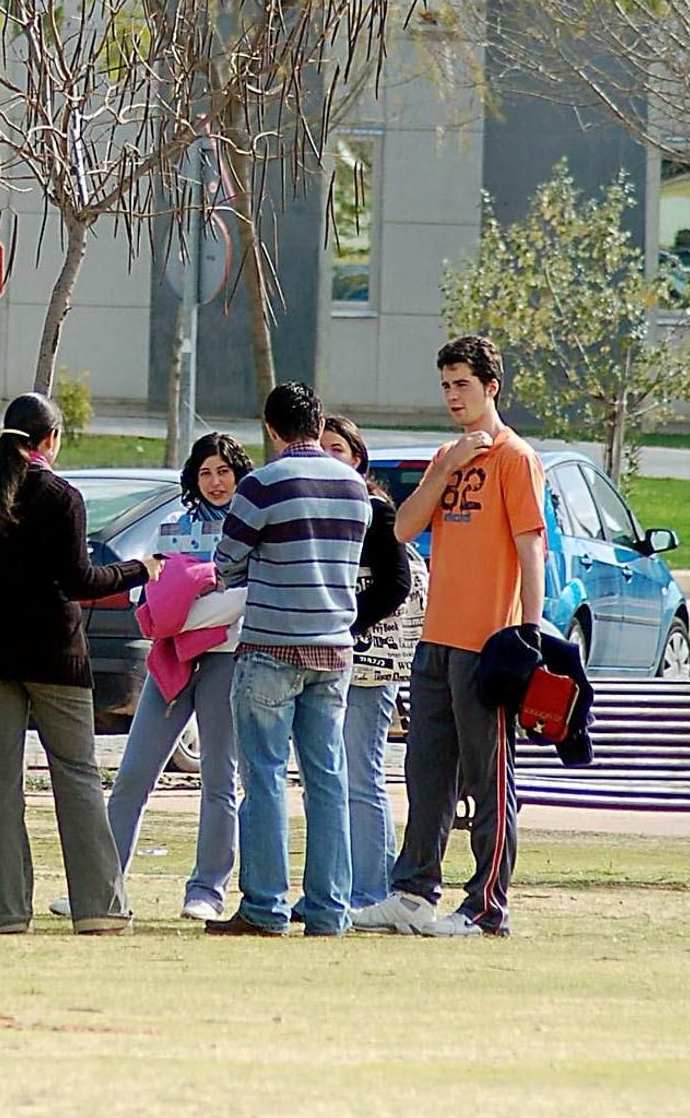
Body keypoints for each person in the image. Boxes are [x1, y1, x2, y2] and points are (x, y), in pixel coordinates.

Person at [0, 391, 159, 934]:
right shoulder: (61, 496)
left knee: (0, 781)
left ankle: (7, 913)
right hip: (55, 652)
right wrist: (139, 570)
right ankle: (99, 908)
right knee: (76, 776)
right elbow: (80, 581)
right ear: (52, 439)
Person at [351, 333, 546, 939]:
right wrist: (451, 465)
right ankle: (412, 893)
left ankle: (487, 906)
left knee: (489, 780)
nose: (453, 395)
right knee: (426, 773)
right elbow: (404, 528)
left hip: (489, 642)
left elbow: (530, 545)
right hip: (435, 640)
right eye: (445, 385)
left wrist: (528, 633)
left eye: (463, 384)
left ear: (491, 387)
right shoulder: (448, 454)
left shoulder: (516, 457)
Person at [206, 381, 369, 939]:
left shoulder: (263, 484)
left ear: (272, 429)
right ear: (317, 422)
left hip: (272, 645)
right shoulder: (353, 486)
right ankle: (329, 911)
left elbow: (226, 561)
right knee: (327, 778)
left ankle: (265, 908)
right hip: (335, 647)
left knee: (266, 778)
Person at [92, 431, 251, 924]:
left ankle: (207, 888)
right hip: (171, 660)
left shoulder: (251, 529)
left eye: (224, 471)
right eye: (206, 472)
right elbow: (153, 599)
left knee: (219, 778)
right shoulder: (173, 525)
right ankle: (103, 886)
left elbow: (243, 602)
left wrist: (189, 608)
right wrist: (194, 602)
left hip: (226, 660)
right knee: (133, 774)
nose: (216, 481)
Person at [319, 415, 423, 910]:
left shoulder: (375, 511)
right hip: (324, 661)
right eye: (319, 448)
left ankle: (372, 889)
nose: (327, 456)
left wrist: (348, 624)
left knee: (361, 775)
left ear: (357, 458)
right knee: (330, 777)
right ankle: (336, 887)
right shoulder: (316, 506)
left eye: (337, 448)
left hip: (368, 665)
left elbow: (396, 584)